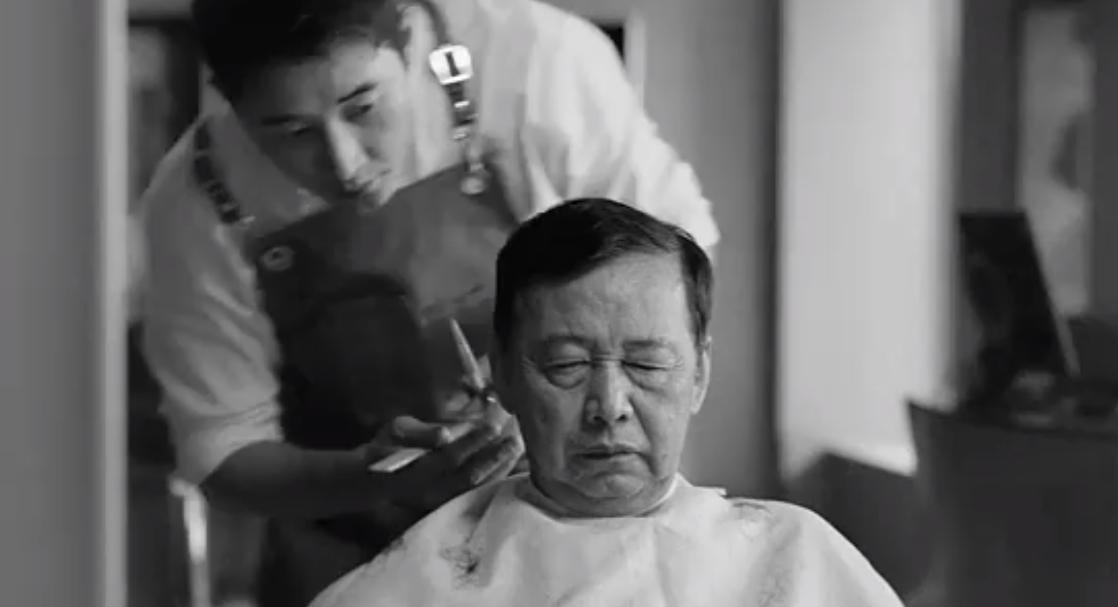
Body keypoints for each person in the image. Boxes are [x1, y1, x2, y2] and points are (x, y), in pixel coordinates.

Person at [135, 0, 719, 603]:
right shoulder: (196, 203)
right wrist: (374, 475)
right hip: (351, 563)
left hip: (589, 547)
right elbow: (225, 455)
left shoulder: (536, 64)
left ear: (408, 36)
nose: (346, 164)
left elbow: (671, 267)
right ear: (229, 102)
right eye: (293, 133)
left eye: (363, 107)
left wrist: (551, 388)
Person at [308, 199, 904, 607]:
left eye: (646, 365)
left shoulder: (795, 559)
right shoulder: (417, 583)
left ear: (699, 374)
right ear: (505, 375)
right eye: (567, 366)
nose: (609, 406)